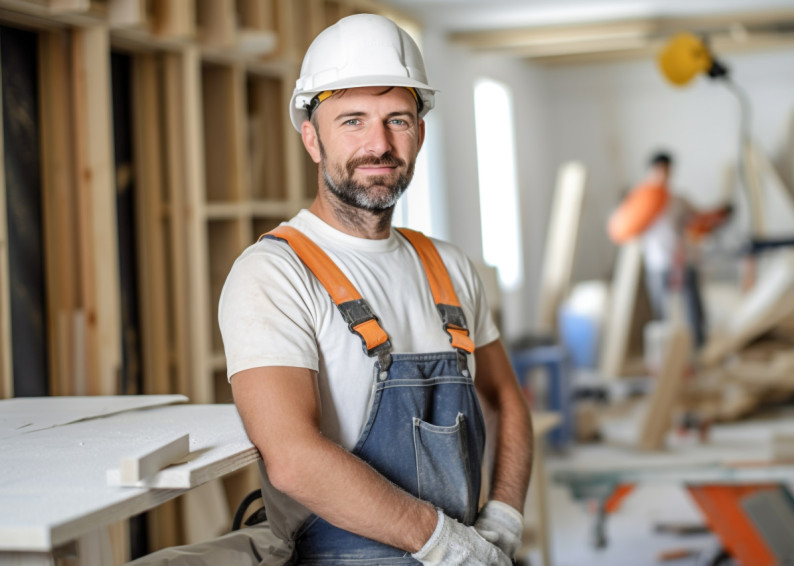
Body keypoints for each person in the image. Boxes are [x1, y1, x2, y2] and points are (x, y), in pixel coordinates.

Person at [130, 13, 533, 566]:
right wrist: (441, 543)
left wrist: (505, 516)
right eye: (352, 121)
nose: (379, 143)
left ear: (420, 131)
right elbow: (293, 456)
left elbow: (506, 401)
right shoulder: (275, 274)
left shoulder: (449, 266)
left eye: (398, 119)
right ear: (311, 138)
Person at [608, 151, 732, 350]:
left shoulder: (678, 200)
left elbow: (699, 220)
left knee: (693, 309)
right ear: (652, 171)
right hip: (658, 264)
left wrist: (719, 214)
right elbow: (624, 227)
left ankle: (699, 350)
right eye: (660, 171)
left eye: (668, 171)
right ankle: (668, 355)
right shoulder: (640, 200)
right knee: (663, 314)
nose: (664, 176)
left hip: (684, 262)